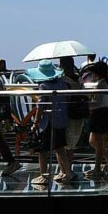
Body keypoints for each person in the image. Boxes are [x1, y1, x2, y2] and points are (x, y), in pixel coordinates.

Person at [32, 56, 84, 186]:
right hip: (61, 119)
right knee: (60, 148)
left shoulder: (44, 85)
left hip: (48, 122)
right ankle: (68, 172)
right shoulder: (62, 83)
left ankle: (43, 175)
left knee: (43, 150)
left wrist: (35, 123)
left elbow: (41, 105)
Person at [82, 60, 108, 175]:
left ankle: (97, 168)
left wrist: (86, 104)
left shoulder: (101, 85)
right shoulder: (105, 83)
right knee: (93, 141)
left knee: (97, 143)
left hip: (99, 114)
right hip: (102, 113)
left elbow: (98, 103)